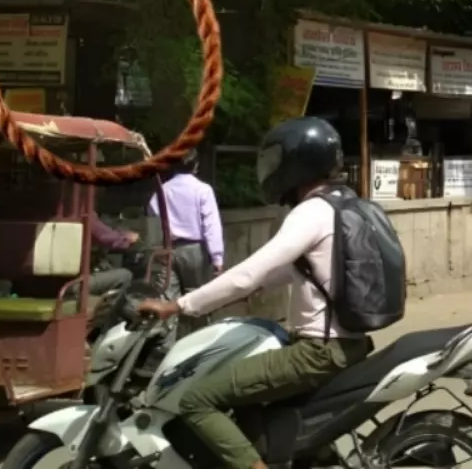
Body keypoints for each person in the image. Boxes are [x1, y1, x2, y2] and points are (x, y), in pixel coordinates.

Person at [137, 118, 374, 469]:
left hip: (317, 352)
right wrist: (247, 290)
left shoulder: (311, 212)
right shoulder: (346, 205)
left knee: (197, 399)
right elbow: (300, 269)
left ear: (297, 163)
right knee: (242, 388)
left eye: (277, 160)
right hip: (347, 343)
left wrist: (177, 305)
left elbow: (248, 274)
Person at [149, 150, 225, 330]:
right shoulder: (202, 189)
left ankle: (169, 340)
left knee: (169, 299)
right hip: (195, 251)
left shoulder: (163, 190)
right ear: (195, 166)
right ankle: (198, 338)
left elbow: (153, 211)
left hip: (169, 249)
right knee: (198, 299)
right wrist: (217, 258)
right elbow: (211, 225)